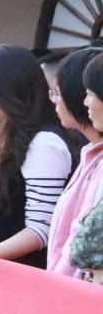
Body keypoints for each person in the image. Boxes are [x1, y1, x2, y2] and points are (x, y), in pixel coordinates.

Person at [0, 45, 75, 268]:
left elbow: (41, 229)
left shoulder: (44, 143)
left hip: (20, 272)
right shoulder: (1, 134)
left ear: (13, 88)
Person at [49, 49, 103, 277]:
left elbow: (80, 239)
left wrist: (55, 288)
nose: (86, 101)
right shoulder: (91, 153)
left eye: (57, 92)